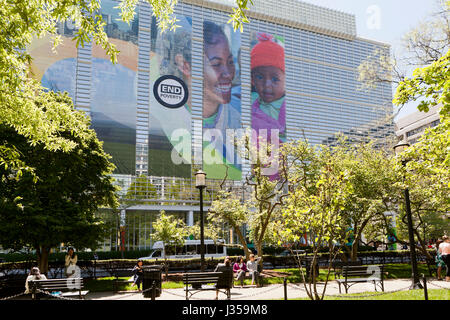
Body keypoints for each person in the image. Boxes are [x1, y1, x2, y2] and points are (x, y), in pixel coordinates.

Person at [250, 32, 286, 144]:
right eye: (260, 77)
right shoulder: (251, 100)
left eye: (275, 79)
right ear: (252, 80)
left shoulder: (289, 106)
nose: (267, 85)